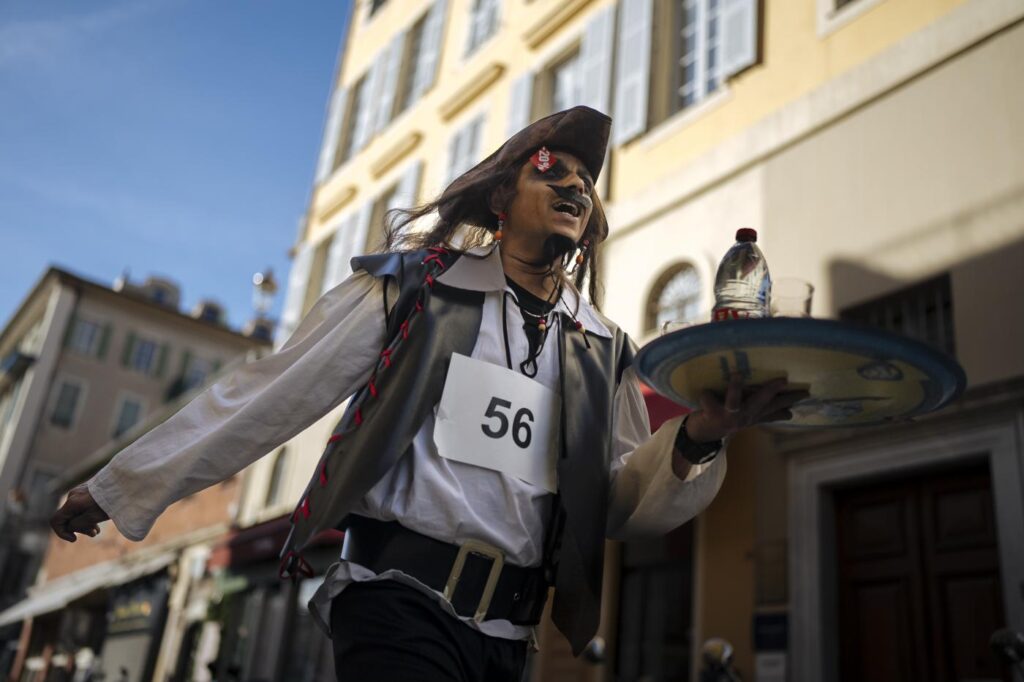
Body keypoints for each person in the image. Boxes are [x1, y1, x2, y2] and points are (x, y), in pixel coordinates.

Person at [51, 106, 803, 682]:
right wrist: (125, 484)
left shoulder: (602, 347)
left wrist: (699, 438)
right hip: (395, 601)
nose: (575, 183)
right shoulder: (414, 292)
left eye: (586, 180)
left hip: (512, 634)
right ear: (500, 196)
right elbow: (268, 393)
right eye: (552, 167)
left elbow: (624, 500)